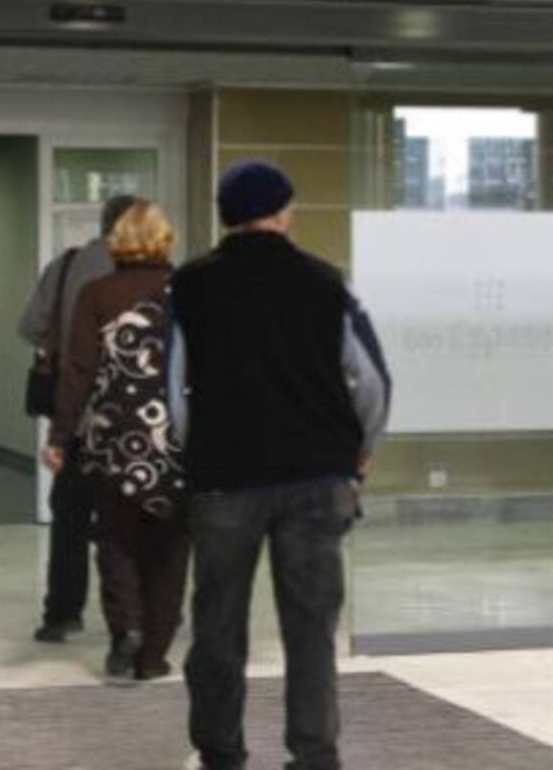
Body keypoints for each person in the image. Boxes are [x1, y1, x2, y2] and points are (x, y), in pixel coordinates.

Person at [169, 161, 390, 770]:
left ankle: (220, 751)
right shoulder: (325, 282)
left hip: (223, 478)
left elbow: (172, 389)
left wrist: (198, 453)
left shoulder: (191, 285)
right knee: (311, 628)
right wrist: (360, 452)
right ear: (284, 212)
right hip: (317, 477)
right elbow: (372, 380)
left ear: (226, 217)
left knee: (218, 624)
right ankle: (314, 753)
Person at [43, 199, 189, 681]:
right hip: (175, 440)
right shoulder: (189, 292)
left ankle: (125, 632)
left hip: (114, 437)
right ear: (165, 240)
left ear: (116, 242)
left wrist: (60, 435)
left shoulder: (97, 293)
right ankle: (154, 656)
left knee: (114, 539)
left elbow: (78, 371)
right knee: (170, 548)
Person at [18, 192, 137, 643]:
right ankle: (138, 612)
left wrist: (65, 340)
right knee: (135, 513)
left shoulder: (67, 266)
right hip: (136, 416)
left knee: (70, 513)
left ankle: (62, 613)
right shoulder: (152, 274)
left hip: (76, 409)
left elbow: (30, 326)